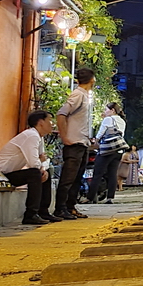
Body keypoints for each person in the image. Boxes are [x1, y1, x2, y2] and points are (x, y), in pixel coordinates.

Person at [0, 111, 59, 224]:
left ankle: (43, 211)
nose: (52, 124)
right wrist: (40, 165)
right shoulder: (31, 136)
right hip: (2, 175)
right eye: (50, 120)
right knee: (35, 174)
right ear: (40, 122)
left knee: (45, 172)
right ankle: (30, 214)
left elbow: (42, 159)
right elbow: (33, 162)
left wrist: (42, 167)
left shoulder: (38, 137)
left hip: (11, 173)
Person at [55, 68, 95, 220]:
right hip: (74, 142)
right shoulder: (78, 94)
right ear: (92, 80)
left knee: (77, 177)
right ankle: (60, 208)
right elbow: (61, 113)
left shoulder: (84, 95)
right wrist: (65, 137)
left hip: (81, 141)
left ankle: (70, 207)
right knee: (68, 178)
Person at [88, 102, 127, 205]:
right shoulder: (122, 121)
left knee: (98, 173)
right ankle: (110, 197)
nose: (105, 112)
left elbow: (100, 134)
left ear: (112, 110)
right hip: (118, 150)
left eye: (106, 110)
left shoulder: (108, 119)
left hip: (106, 150)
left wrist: (95, 142)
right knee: (112, 173)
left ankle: (90, 197)